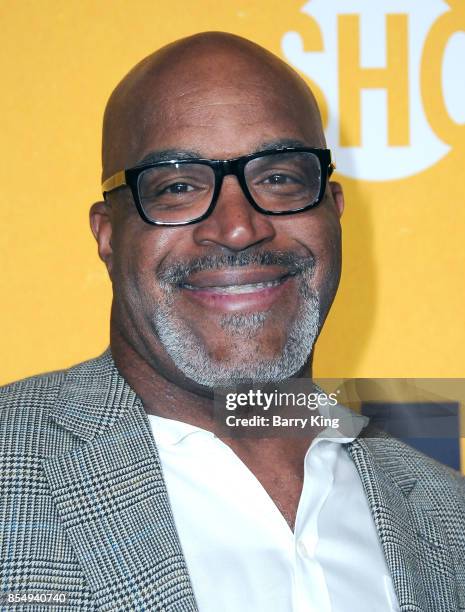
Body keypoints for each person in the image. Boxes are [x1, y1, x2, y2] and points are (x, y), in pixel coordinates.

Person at [1, 32, 464, 612]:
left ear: (334, 212)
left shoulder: (449, 518)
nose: (239, 227)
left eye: (279, 178)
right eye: (177, 187)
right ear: (108, 234)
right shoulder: (11, 466)